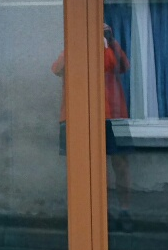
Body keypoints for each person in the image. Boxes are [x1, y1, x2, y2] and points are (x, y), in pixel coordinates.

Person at [51, 24, 134, 217]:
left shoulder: (110, 49)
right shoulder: (74, 49)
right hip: (81, 115)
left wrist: (110, 42)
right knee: (90, 167)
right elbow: (57, 69)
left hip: (114, 114)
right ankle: (97, 212)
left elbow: (122, 66)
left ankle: (125, 211)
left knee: (121, 164)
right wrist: (77, 41)